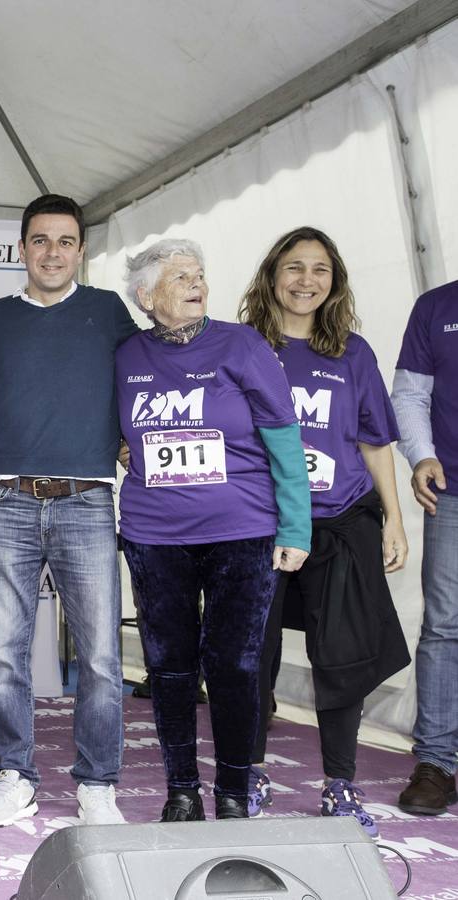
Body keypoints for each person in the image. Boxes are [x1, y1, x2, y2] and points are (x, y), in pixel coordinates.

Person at [115, 238, 310, 821]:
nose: (196, 285)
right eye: (180, 278)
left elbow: (284, 436)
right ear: (147, 296)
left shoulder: (243, 344)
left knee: (234, 662)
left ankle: (231, 790)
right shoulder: (125, 355)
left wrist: (295, 527)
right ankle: (181, 791)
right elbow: (101, 424)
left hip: (242, 532)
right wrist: (120, 445)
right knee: (169, 664)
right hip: (155, 535)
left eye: (199, 274)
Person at [0, 194, 137, 828]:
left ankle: (98, 784)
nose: (51, 252)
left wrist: (129, 436)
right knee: (4, 654)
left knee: (99, 655)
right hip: (8, 498)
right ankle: (15, 776)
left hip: (88, 500)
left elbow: (146, 376)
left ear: (81, 251)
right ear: (21, 249)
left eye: (64, 241)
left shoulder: (108, 311)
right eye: (39, 240)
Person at [239, 227, 409, 837]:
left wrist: (393, 520)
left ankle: (340, 784)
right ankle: (248, 771)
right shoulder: (243, 347)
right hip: (260, 526)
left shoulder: (351, 352)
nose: (305, 280)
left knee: (342, 658)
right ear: (271, 275)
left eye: (319, 270)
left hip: (341, 523)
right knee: (250, 656)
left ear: (334, 282)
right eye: (293, 267)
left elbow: (373, 440)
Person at [393, 275, 458, 815]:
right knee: (445, 626)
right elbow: (411, 394)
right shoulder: (436, 306)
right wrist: (421, 456)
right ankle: (436, 764)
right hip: (452, 492)